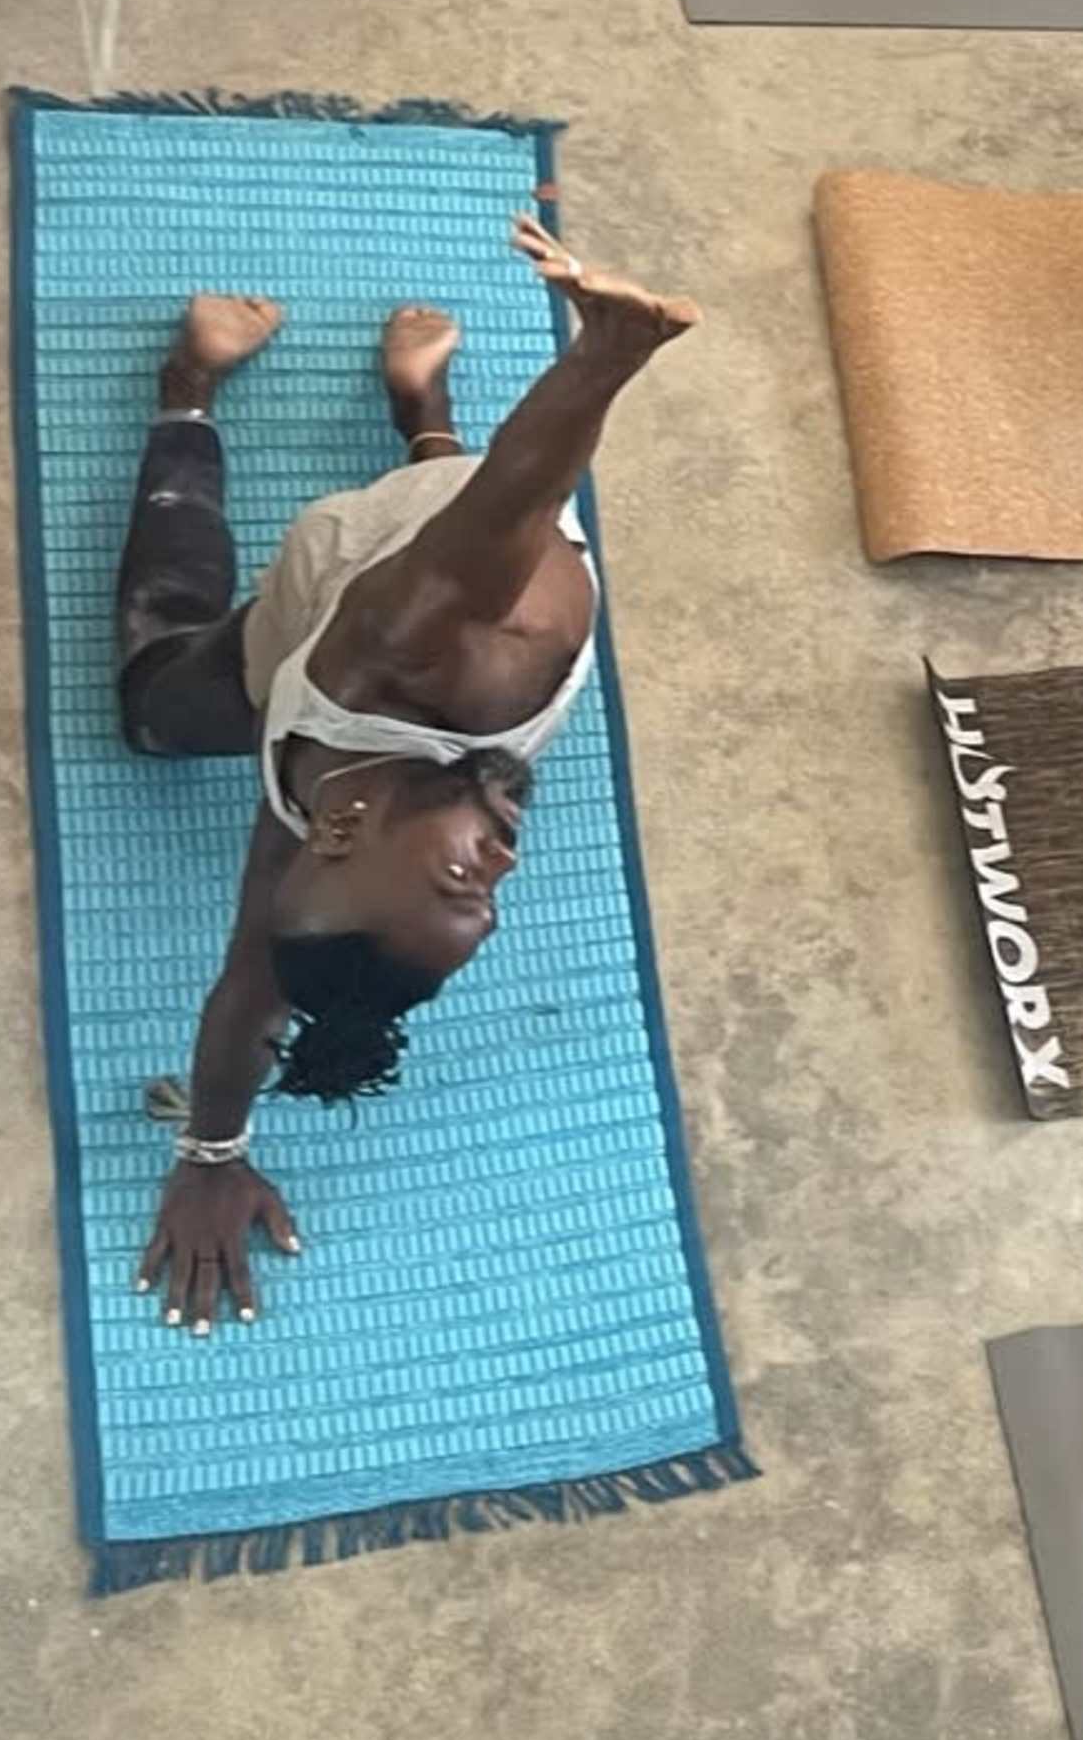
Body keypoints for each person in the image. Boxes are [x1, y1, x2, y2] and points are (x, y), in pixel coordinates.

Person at [109, 216, 700, 1332]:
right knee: (457, 543)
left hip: (381, 560)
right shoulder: (374, 789)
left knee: (156, 702)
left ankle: (189, 384)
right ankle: (419, 411)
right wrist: (211, 1151)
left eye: (457, 883)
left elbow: (511, 498)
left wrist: (605, 354)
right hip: (455, 547)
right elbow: (258, 989)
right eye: (492, 896)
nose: (506, 857)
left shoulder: (409, 661)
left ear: (338, 828)